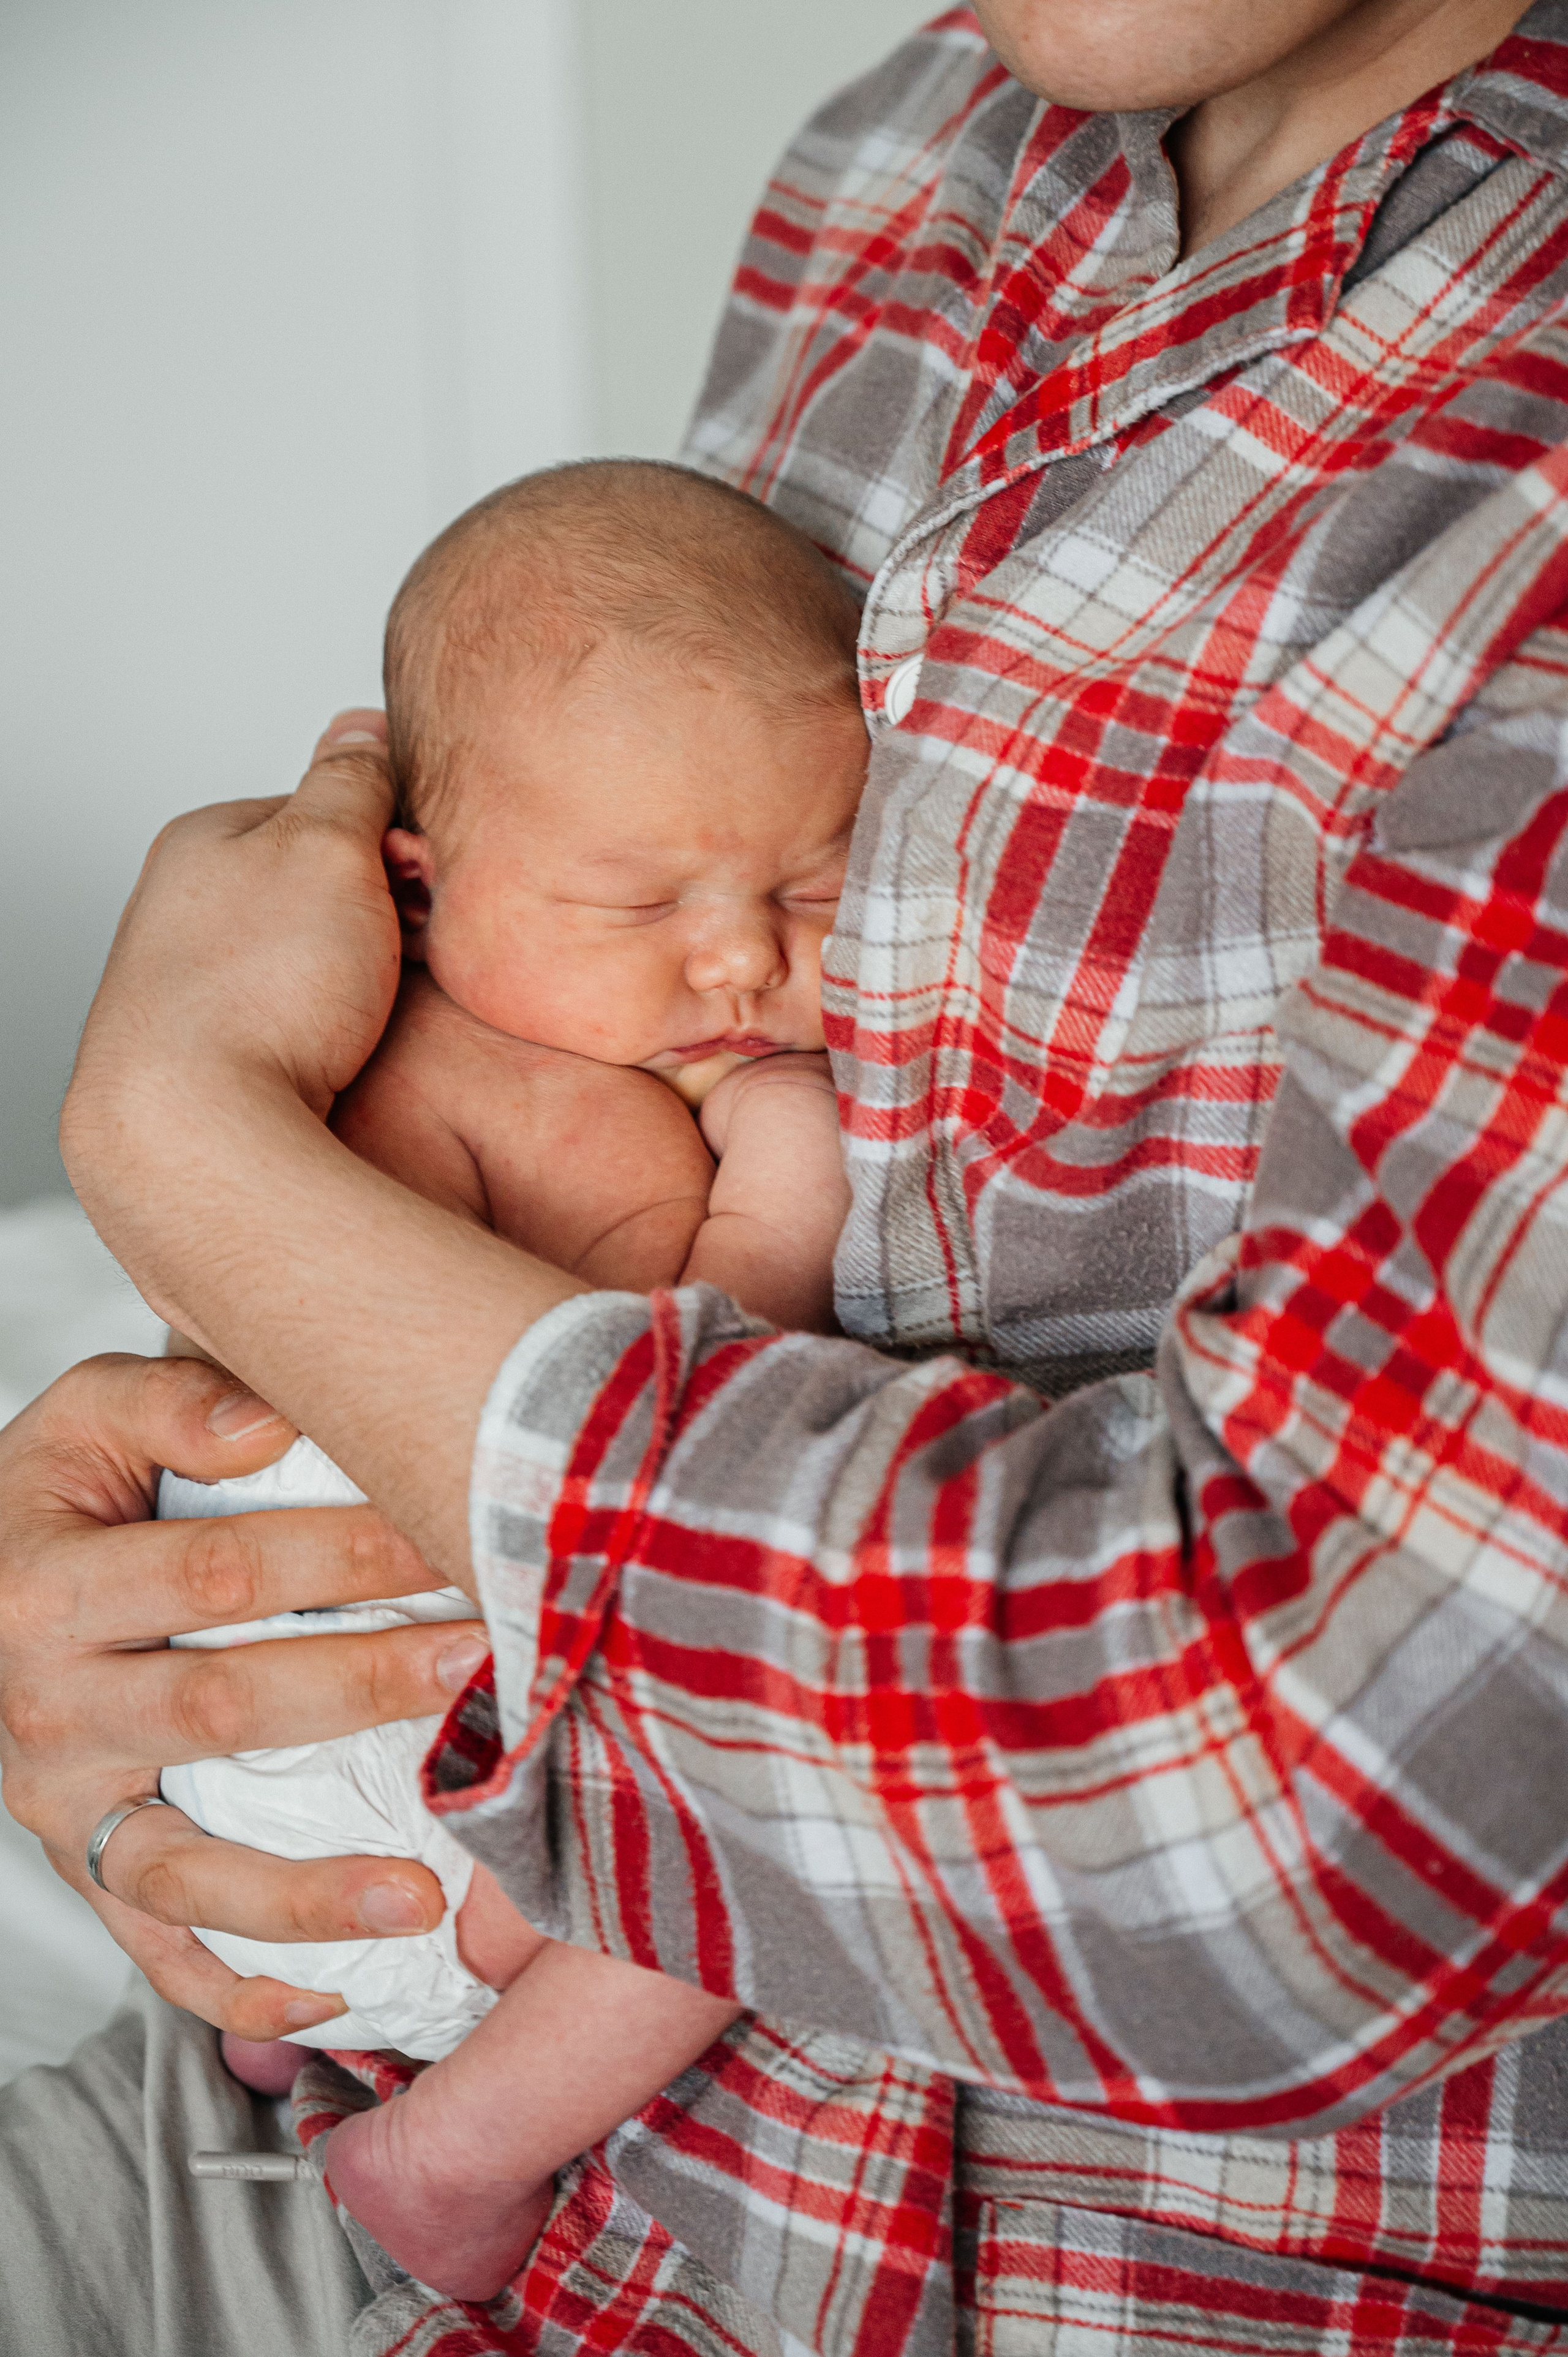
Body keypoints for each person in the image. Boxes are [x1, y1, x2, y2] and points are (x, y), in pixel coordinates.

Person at [7, 1, 1568, 2353]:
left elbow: (1300, 1838)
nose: (743, 962)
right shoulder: (911, 152)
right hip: (321, 2080)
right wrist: (119, 1663)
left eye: (793, 908)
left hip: (1029, 2255)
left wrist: (179, 1146)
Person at [154, 457, 863, 2299]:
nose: (738, 957)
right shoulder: (485, 1094)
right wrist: (781, 1163)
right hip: (406, 1754)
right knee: (784, 1829)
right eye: (638, 906)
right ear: (417, 884)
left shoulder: (384, 1069)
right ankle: (447, 2150)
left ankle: (298, 2039)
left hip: (252, 1793)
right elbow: (668, 1436)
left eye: (809, 882)